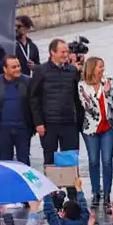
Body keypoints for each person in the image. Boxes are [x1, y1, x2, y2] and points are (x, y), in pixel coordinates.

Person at [28, 38, 81, 166]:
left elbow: (77, 97)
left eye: (67, 52)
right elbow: (34, 98)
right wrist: (38, 122)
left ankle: (71, 186)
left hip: (69, 122)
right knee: (49, 158)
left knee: (69, 159)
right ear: (53, 52)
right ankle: (51, 186)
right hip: (49, 123)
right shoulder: (41, 70)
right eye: (62, 52)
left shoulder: (72, 71)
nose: (65, 55)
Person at [78, 57, 113, 208]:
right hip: (91, 129)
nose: (102, 69)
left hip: (108, 128)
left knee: (107, 160)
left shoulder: (108, 83)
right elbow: (88, 107)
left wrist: (107, 94)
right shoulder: (82, 85)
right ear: (92, 68)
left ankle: (107, 194)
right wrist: (99, 95)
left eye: (103, 66)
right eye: (100, 66)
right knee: (93, 160)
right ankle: (96, 192)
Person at [0, 55, 33, 165]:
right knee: (4, 163)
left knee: (24, 162)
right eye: (13, 67)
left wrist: (32, 128)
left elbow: (33, 105)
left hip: (23, 129)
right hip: (3, 130)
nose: (17, 69)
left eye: (18, 66)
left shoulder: (27, 82)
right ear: (5, 69)